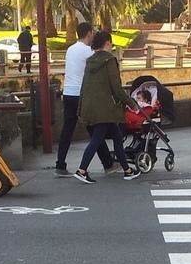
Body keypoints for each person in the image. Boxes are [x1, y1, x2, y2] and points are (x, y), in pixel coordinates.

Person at [72, 30, 141, 184]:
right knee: (97, 139)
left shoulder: (90, 61)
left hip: (90, 107)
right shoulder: (109, 60)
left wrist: (81, 108)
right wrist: (132, 104)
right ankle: (82, 170)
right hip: (105, 109)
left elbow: (84, 86)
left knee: (117, 137)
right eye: (111, 45)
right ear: (108, 43)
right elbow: (116, 88)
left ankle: (127, 170)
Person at [54, 22, 114, 177]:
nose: (94, 35)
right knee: (96, 129)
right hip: (82, 95)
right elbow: (102, 62)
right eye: (93, 32)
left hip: (68, 93)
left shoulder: (70, 50)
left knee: (67, 130)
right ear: (88, 33)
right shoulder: (88, 52)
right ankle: (108, 164)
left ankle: (60, 164)